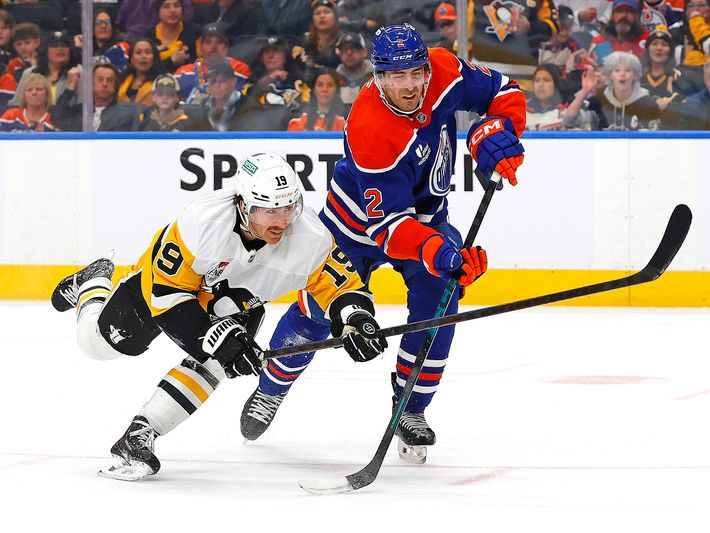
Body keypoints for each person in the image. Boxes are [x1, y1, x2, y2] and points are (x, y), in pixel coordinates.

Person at [239, 23, 524, 464]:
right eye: (396, 75)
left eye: (416, 72)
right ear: (378, 76)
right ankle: (271, 387)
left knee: (439, 306)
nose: (409, 85)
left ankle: (410, 408)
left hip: (426, 219)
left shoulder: (446, 72)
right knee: (318, 313)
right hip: (356, 229)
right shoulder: (371, 129)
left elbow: (505, 90)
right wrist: (447, 254)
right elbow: (390, 230)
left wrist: (500, 130)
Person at [49, 153, 387, 481]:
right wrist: (218, 340)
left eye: (288, 207)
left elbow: (342, 287)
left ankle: (140, 433)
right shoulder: (201, 222)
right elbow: (166, 296)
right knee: (96, 344)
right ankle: (91, 282)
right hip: (165, 289)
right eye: (270, 210)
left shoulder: (310, 237)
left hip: (235, 304)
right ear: (244, 205)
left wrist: (357, 319)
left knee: (216, 363)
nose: (282, 220)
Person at [565, 51, 662, 130]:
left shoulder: (647, 103)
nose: (622, 74)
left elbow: (652, 140)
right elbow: (569, 122)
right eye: (617, 70)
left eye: (628, 70)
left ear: (635, 75)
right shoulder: (598, 101)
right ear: (610, 75)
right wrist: (584, 91)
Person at [51, 62, 142, 132]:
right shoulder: (80, 111)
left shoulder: (126, 112)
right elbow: (57, 116)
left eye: (110, 80)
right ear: (92, 84)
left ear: (115, 86)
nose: (105, 83)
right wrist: (71, 85)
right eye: (100, 79)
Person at [174, 22, 251, 104]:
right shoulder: (184, 72)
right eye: (208, 42)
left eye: (218, 42)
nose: (213, 46)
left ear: (226, 47)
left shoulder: (239, 69)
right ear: (200, 47)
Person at [191, 60, 268, 131]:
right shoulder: (203, 105)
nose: (217, 85)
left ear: (234, 82)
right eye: (213, 81)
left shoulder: (250, 106)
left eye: (222, 81)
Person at [11, 31, 79, 109]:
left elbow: (83, 107)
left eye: (65, 46)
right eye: (55, 46)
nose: (60, 49)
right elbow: (17, 105)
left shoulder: (79, 73)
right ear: (45, 50)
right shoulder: (29, 73)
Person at [144, 0, 202, 72]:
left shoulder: (195, 31)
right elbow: (146, 67)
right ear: (158, 12)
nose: (173, 10)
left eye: (177, 6)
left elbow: (202, 61)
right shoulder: (148, 37)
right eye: (166, 6)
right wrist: (171, 61)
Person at [117, 37, 166, 107]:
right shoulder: (121, 80)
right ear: (131, 59)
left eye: (148, 52)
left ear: (154, 58)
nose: (143, 56)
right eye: (138, 53)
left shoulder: (163, 82)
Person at [115, 0, 195, 40]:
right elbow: (119, 24)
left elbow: (186, 17)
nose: (172, 10)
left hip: (172, 37)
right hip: (133, 39)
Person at [525, 64, 570, 130]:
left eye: (546, 80)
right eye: (537, 80)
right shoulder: (521, 110)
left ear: (556, 84)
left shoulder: (567, 112)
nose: (541, 85)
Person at [301, 0, 342, 72]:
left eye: (327, 12)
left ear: (335, 17)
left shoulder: (342, 40)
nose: (322, 16)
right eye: (317, 13)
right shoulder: (305, 41)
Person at [334, 31, 371, 107]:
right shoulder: (334, 79)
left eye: (355, 48)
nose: (349, 53)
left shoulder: (378, 78)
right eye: (344, 49)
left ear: (365, 52)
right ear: (339, 53)